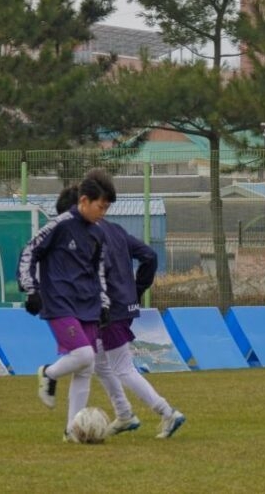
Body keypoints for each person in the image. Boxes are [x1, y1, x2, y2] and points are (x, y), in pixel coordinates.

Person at [57, 175, 186, 439]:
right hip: (122, 305)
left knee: (122, 367)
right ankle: (125, 414)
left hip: (109, 310)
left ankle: (167, 412)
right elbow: (149, 255)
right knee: (99, 363)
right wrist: (136, 290)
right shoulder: (115, 229)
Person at [18, 171, 114, 440]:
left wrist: (104, 303)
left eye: (106, 208)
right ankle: (48, 373)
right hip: (59, 302)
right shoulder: (59, 225)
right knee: (84, 355)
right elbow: (29, 251)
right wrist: (31, 289)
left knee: (86, 368)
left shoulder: (98, 234)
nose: (103, 213)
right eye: (101, 207)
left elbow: (99, 272)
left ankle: (72, 430)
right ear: (84, 201)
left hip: (88, 304)